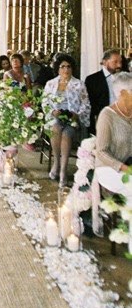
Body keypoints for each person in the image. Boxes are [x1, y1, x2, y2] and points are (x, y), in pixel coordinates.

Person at [42, 54, 91, 187]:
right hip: (55, 118)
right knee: (56, 128)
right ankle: (56, 163)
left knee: (67, 134)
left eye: (68, 66)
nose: (66, 69)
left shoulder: (79, 84)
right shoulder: (50, 84)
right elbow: (44, 102)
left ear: (72, 68)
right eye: (62, 66)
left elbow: (86, 104)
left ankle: (63, 170)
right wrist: (52, 111)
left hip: (73, 118)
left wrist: (77, 114)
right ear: (58, 68)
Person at [94, 72, 132, 202]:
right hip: (109, 168)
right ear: (122, 94)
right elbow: (101, 152)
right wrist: (124, 168)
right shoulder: (107, 116)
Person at [85, 49, 123, 135]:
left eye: (120, 62)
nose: (119, 65)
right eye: (115, 62)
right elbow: (90, 105)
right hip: (104, 118)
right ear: (105, 62)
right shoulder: (92, 80)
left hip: (123, 116)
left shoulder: (124, 78)